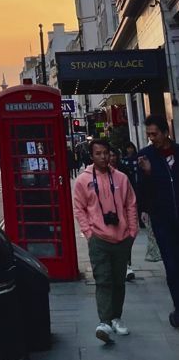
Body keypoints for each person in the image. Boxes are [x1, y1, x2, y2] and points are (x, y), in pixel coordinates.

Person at [73, 136, 138, 344]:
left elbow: (131, 204)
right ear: (91, 156)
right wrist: (88, 233)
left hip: (122, 237)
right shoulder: (83, 180)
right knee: (103, 280)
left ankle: (116, 318)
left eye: (105, 153)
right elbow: (79, 208)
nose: (102, 157)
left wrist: (132, 231)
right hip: (98, 238)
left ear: (111, 154)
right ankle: (104, 322)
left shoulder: (121, 178)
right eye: (98, 153)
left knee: (119, 281)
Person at [137, 114, 179, 328]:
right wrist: (147, 173)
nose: (151, 138)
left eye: (155, 134)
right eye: (149, 134)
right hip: (162, 220)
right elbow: (142, 192)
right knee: (172, 267)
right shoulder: (145, 157)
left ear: (166, 132)